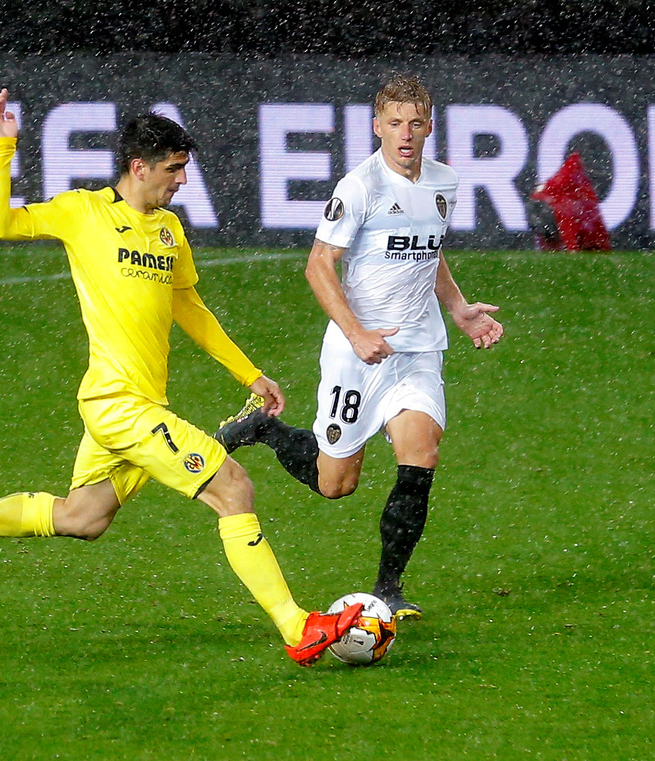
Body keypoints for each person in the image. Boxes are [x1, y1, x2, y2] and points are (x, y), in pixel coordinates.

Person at [0, 89, 362, 666]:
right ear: (139, 167)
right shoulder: (83, 212)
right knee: (233, 488)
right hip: (121, 406)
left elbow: (189, 308)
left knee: (82, 517)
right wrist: (2, 147)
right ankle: (297, 627)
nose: (182, 180)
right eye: (173, 169)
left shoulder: (168, 231)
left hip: (131, 405)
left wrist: (250, 373)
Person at [215, 74, 504, 620]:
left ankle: (388, 589)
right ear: (377, 127)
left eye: (415, 123)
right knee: (336, 484)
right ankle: (265, 430)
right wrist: (356, 333)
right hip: (356, 354)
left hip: (416, 350)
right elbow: (318, 265)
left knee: (422, 454)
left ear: (430, 127)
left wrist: (459, 309)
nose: (405, 134)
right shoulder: (359, 187)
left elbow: (430, 252)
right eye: (395, 123)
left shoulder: (445, 182)